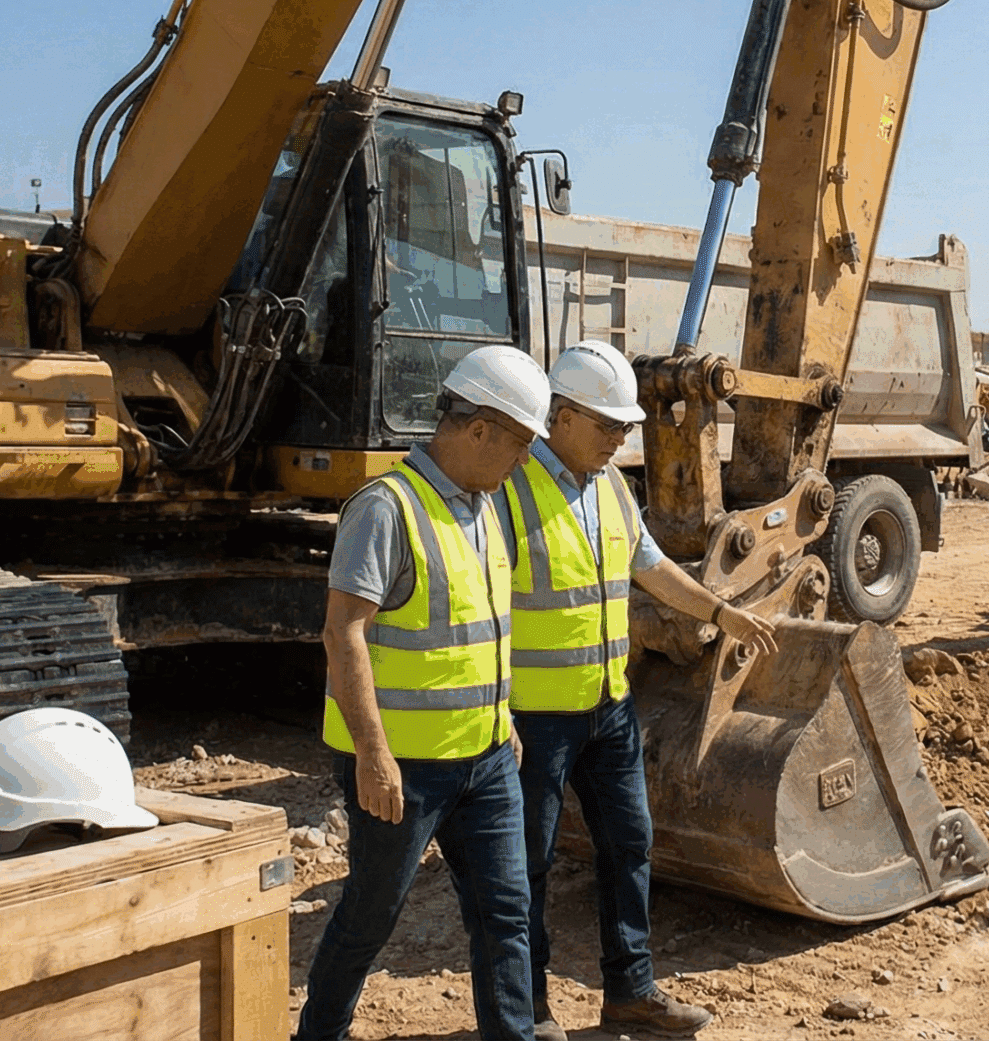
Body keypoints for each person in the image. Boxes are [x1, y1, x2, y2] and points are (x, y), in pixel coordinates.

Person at [505, 342, 780, 1040]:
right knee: (528, 863)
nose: (619, 440)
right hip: (534, 716)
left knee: (630, 843)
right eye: (608, 426)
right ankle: (529, 1008)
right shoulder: (510, 490)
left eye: (625, 428)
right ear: (561, 416)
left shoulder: (608, 486)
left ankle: (630, 990)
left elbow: (650, 567)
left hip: (607, 707)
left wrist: (720, 611)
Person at [297, 345, 553, 1041]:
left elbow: (478, 626)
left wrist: (501, 717)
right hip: (403, 769)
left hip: (487, 758)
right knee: (371, 914)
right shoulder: (385, 508)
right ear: (479, 430)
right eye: (520, 444)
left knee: (506, 912)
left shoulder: (485, 507)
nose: (524, 461)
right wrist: (373, 756)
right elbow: (343, 633)